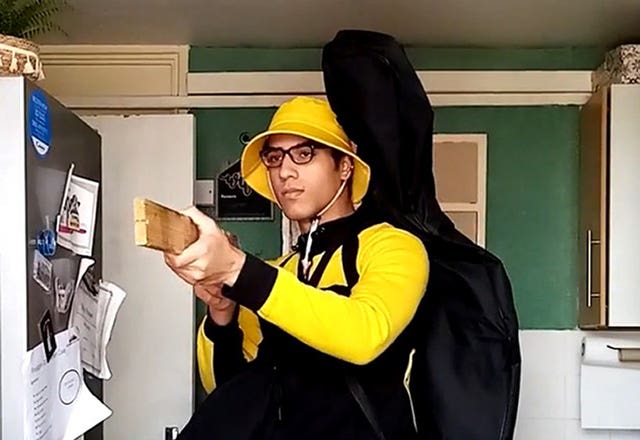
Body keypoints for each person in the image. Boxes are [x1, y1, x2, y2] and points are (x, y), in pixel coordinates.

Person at [164, 96, 429, 440]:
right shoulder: (279, 270)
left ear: (344, 166)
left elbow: (366, 335)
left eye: (304, 154)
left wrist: (238, 270)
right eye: (274, 158)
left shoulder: (393, 247)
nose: (285, 172)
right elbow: (230, 388)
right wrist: (222, 310)